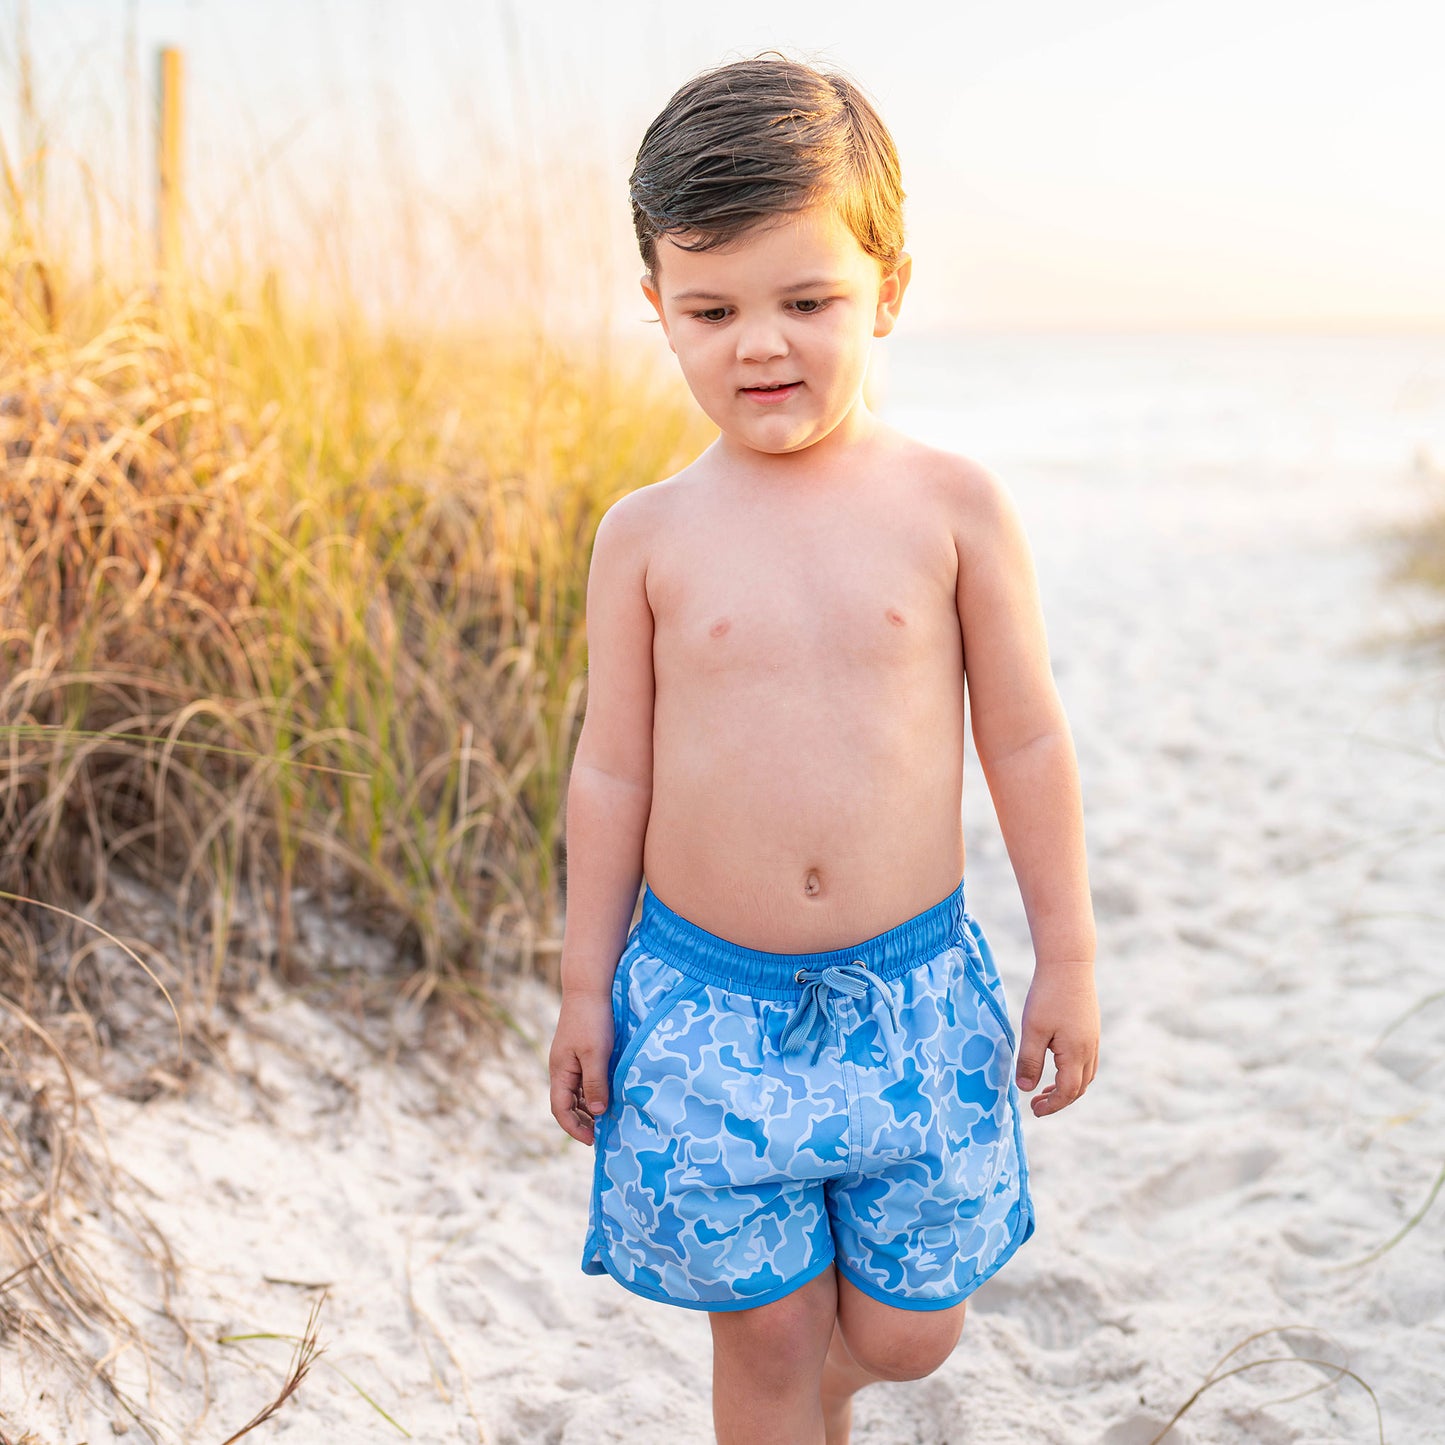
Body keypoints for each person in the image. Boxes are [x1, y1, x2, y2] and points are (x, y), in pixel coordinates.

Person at [547, 54, 1099, 1445]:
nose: (760, 345)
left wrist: (1068, 955)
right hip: (706, 1002)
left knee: (912, 1329)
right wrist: (581, 984)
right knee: (770, 1329)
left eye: (808, 301)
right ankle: (791, 1398)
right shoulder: (647, 536)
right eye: (712, 307)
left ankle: (832, 1388)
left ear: (890, 289)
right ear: (657, 310)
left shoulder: (952, 506)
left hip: (907, 996)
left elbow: (1025, 739)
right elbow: (612, 770)